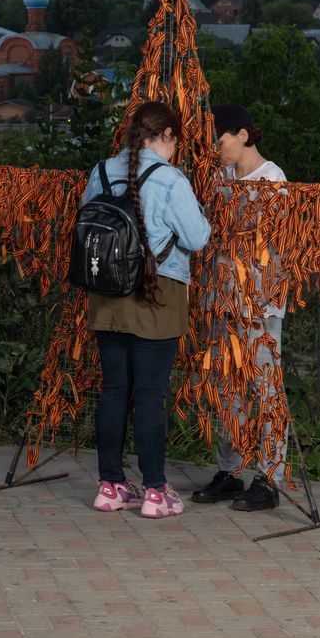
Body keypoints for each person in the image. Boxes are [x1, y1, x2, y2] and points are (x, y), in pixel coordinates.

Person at [84, 101, 211, 518]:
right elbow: (196, 237)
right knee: (151, 396)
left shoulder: (100, 172)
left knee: (114, 391)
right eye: (177, 141)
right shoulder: (171, 180)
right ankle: (155, 491)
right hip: (156, 295)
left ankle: (111, 486)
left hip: (105, 295)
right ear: (168, 136)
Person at [192, 103, 288, 512]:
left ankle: (270, 479)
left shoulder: (273, 180)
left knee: (264, 391)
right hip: (222, 301)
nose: (216, 149)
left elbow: (270, 244)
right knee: (227, 390)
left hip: (260, 306)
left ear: (244, 135)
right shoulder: (219, 177)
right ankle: (229, 473)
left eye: (221, 140)